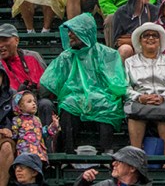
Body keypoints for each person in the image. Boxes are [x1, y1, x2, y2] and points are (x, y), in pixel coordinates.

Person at [39, 14, 125, 154]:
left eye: (74, 32)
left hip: (101, 96)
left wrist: (100, 94)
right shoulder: (66, 56)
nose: (70, 35)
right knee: (69, 104)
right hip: (74, 98)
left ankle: (106, 151)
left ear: (85, 32)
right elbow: (49, 82)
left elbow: (116, 82)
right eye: (69, 31)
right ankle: (69, 152)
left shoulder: (107, 54)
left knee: (106, 103)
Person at [122, 23, 165, 156]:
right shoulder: (130, 62)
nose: (150, 38)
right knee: (134, 115)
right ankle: (135, 157)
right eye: (146, 36)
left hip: (164, 99)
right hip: (140, 99)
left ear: (160, 41)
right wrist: (139, 97)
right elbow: (125, 86)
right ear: (140, 41)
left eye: (155, 36)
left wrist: (163, 97)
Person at [74, 147, 151, 186]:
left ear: (132, 168)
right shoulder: (106, 185)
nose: (113, 164)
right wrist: (83, 181)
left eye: (119, 161)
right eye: (114, 160)